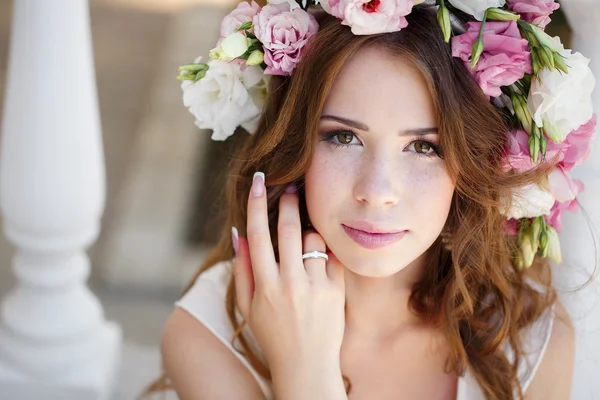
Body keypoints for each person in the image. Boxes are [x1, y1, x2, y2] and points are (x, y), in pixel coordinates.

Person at [145, 0, 597, 398]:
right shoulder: (210, 332)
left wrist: (306, 372)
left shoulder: (528, 342)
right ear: (295, 145)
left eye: (424, 147)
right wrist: (302, 363)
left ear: (475, 165)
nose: (377, 192)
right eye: (343, 137)